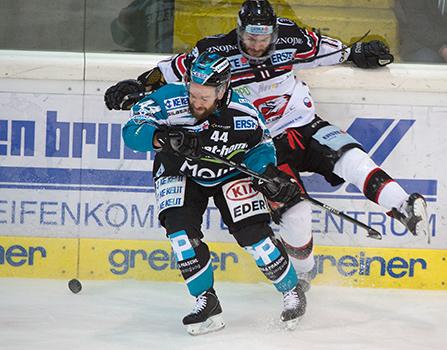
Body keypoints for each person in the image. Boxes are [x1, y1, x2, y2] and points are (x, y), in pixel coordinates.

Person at [108, 0, 429, 293]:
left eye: (264, 38)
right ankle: (304, 272)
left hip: (302, 125)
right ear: (239, 30)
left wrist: (356, 52)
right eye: (250, 38)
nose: (257, 45)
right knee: (298, 211)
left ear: (274, 33)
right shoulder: (217, 51)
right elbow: (172, 69)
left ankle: (402, 205)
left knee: (351, 158)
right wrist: (140, 83)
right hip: (262, 143)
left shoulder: (292, 39)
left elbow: (332, 50)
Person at [122, 51, 307, 335]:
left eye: (204, 97)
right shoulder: (167, 100)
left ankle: (291, 290)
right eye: (193, 94)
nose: (196, 102)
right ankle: (205, 300)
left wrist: (266, 172)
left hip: (228, 174)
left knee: (254, 236)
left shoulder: (243, 112)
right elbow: (132, 130)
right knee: (181, 236)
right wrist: (160, 138)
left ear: (221, 91)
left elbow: (260, 147)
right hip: (179, 171)